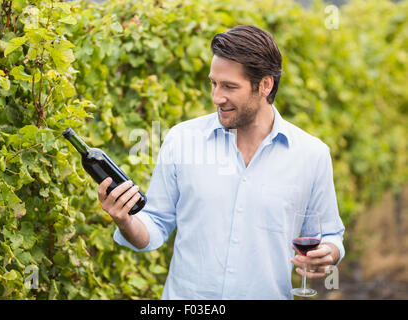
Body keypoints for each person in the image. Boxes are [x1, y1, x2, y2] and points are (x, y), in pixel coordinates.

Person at [97, 25, 345, 299]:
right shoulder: (182, 140)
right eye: (213, 83)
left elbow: (330, 234)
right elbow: (155, 223)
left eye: (229, 86)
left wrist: (328, 253)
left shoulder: (311, 155)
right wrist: (125, 221)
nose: (216, 97)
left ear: (265, 85)